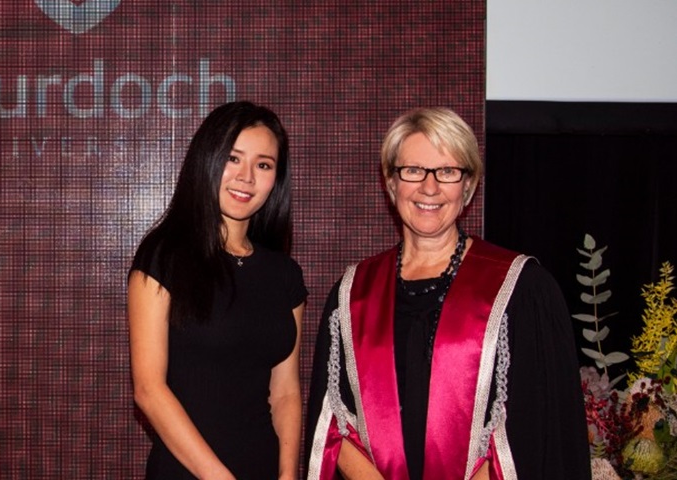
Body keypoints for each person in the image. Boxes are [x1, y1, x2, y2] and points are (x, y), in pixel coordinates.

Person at [305, 107, 591, 479]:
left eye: (447, 172)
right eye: (413, 170)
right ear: (391, 183)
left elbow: (537, 430)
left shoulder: (521, 290)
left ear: (467, 185)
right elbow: (332, 420)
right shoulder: (353, 293)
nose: (429, 187)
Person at [128, 101, 307, 480]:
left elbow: (286, 392)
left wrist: (289, 475)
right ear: (207, 161)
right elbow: (148, 390)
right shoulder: (164, 256)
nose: (246, 177)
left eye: (263, 165)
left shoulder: (285, 274)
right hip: (188, 472)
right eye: (233, 158)